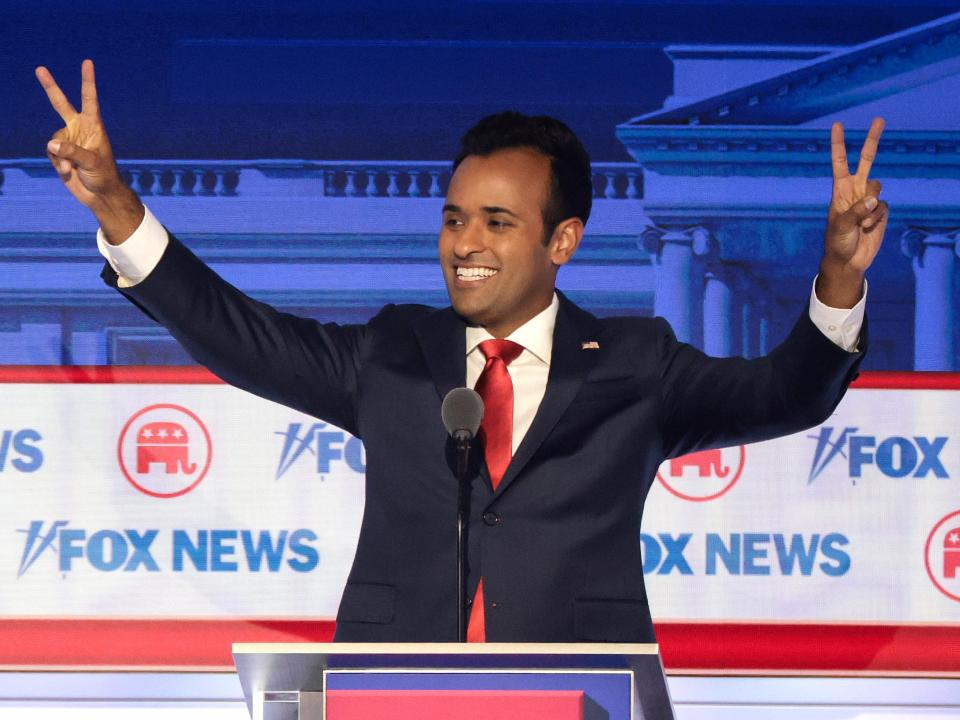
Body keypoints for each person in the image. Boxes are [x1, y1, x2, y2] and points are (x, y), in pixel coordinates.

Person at [37, 60, 888, 642]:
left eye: (497, 222)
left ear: (564, 241)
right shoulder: (396, 351)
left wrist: (839, 278)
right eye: (454, 218)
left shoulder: (635, 362)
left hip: (580, 684)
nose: (464, 243)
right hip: (394, 683)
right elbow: (242, 337)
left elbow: (789, 393)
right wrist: (116, 207)